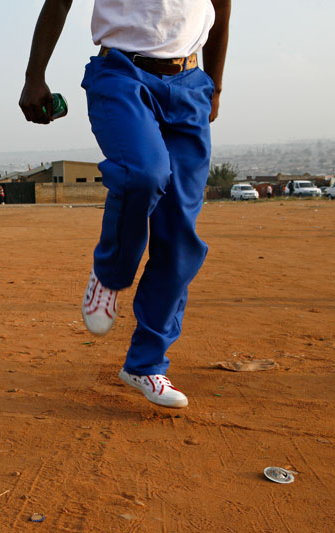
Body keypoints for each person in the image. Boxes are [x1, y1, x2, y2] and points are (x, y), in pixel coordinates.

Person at [20, 0, 230, 409]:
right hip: (122, 75)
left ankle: (146, 365)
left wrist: (215, 87)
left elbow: (221, 11)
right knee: (144, 173)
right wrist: (34, 77)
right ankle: (110, 274)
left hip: (189, 86)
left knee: (180, 236)